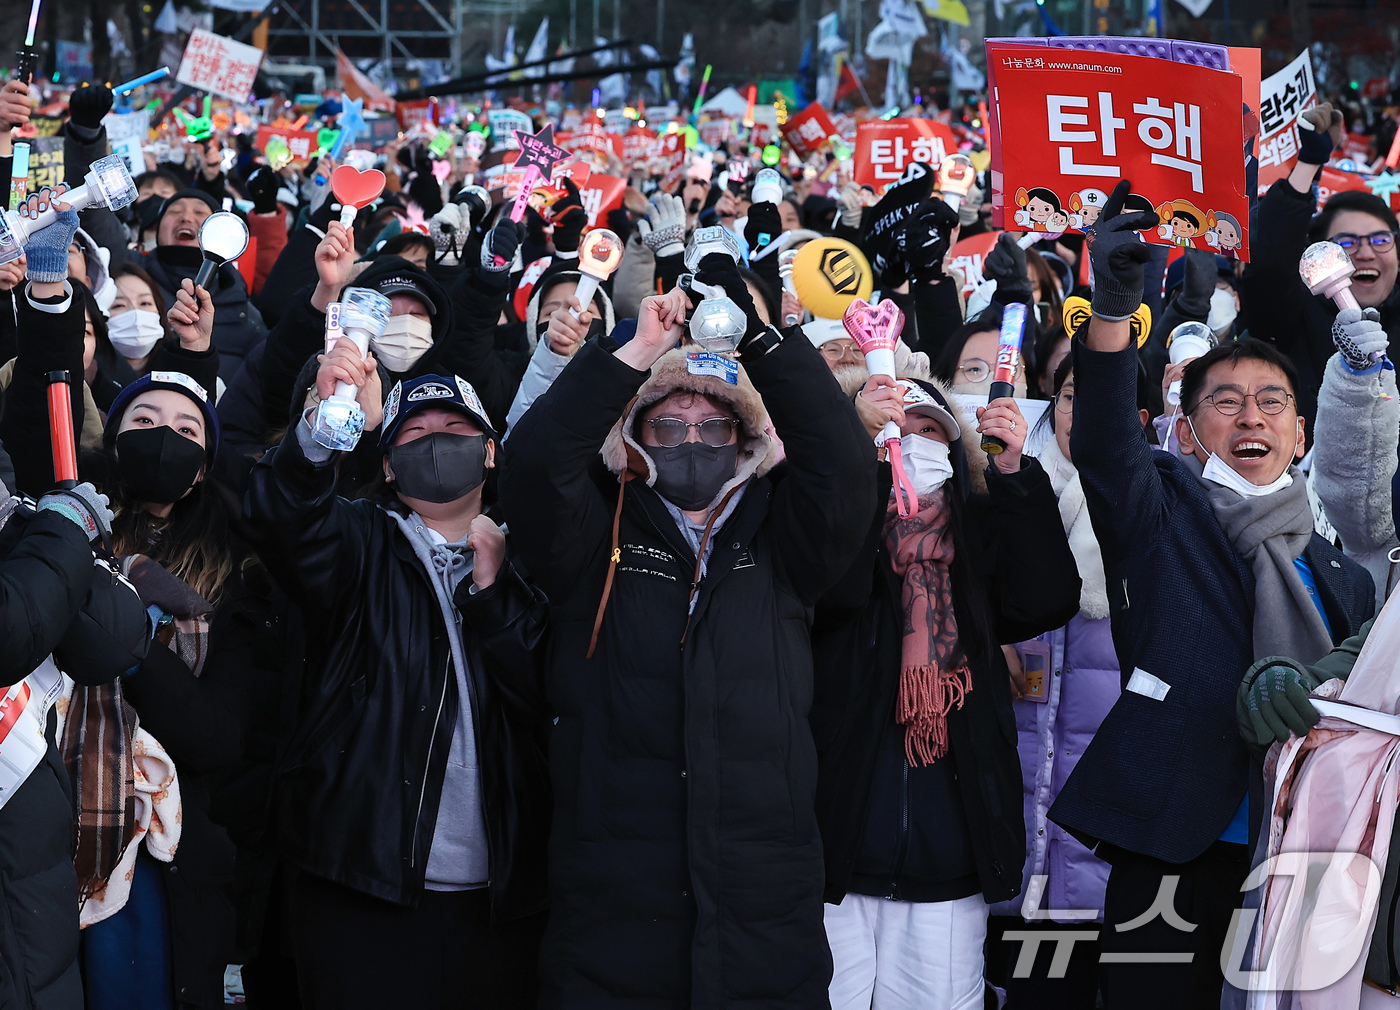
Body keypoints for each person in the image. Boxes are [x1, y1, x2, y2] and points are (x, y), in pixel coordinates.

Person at [499, 258, 875, 1004]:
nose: (692, 440)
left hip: (764, 908)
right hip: (613, 910)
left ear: (746, 438)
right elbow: (535, 467)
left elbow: (845, 471)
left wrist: (762, 340)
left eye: (713, 425)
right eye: (668, 423)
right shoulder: (593, 529)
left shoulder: (784, 535)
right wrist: (634, 355)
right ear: (634, 434)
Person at [1051, 180, 1376, 1010]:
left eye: (1272, 401)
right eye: (1224, 402)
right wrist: (1112, 310)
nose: (1250, 416)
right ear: (1191, 431)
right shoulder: (1164, 507)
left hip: (1299, 854)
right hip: (1174, 845)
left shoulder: (1340, 571)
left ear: (1299, 431)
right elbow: (1104, 448)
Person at [245, 360, 551, 1009]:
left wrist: (499, 599)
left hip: (507, 903)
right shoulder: (358, 540)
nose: (437, 440)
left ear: (491, 452)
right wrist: (317, 438)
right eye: (413, 434)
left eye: (455, 427)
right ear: (386, 465)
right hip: (363, 887)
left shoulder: (537, 558)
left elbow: (550, 696)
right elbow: (282, 517)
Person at [812, 365, 1079, 1008]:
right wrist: (867, 479)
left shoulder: (978, 550)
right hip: (830, 860)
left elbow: (1048, 595)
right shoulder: (832, 545)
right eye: (897, 432)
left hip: (949, 860)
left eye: (931, 432)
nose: (914, 443)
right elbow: (833, 589)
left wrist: (1014, 472)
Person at [76, 369, 277, 1010]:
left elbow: (217, 734)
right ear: (111, 441)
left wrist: (129, 642)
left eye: (186, 429)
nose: (164, 436)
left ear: (201, 471)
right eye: (144, 422)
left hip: (166, 858)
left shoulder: (230, 584)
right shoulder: (60, 539)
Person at [985, 359, 1147, 1009]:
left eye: (1105, 395)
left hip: (1110, 855)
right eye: (1072, 395)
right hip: (1009, 840)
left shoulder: (1155, 522)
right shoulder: (1007, 499)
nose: (1085, 409)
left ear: (1139, 420)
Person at [0, 477, 150, 1010]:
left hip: (28, 867)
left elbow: (116, 639)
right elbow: (11, 628)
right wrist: (61, 532)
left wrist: (29, 529)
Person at [1241, 101, 1399, 435]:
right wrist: (1309, 162)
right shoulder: (1293, 314)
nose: (1366, 253)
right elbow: (1270, 265)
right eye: (1346, 243)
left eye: (1381, 240)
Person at [141, 189, 268, 381]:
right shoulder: (135, 280)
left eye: (199, 212)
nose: (186, 218)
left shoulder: (243, 310)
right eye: (175, 211)